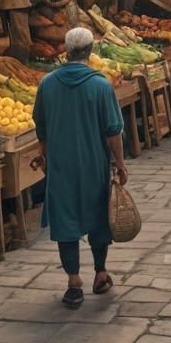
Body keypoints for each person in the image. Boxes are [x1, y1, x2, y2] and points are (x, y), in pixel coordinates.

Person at [32, 27, 127, 309]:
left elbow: (42, 128)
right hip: (93, 165)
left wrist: (46, 157)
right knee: (99, 217)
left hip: (61, 165)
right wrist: (119, 164)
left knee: (66, 221)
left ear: (66, 50)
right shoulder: (100, 86)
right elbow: (113, 131)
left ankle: (74, 280)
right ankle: (100, 271)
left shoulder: (47, 84)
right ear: (90, 51)